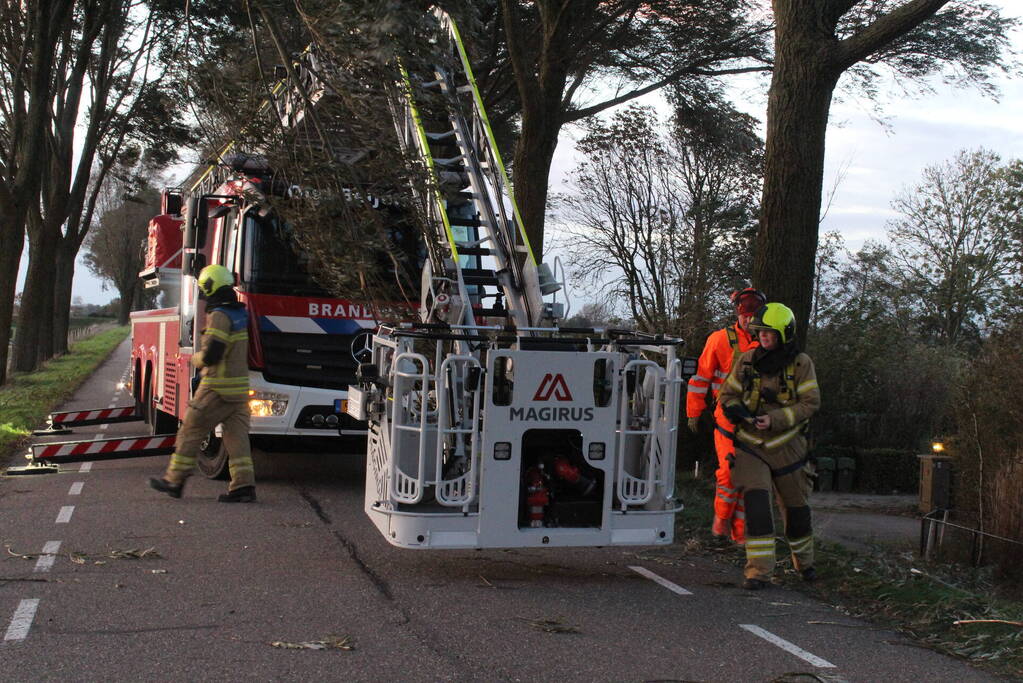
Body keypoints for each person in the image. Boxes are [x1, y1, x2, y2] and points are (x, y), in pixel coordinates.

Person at [718, 302, 821, 589]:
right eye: (760, 332)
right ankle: (758, 573)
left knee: (796, 510)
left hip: (789, 449)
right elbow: (727, 394)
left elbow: (810, 403)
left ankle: (805, 564)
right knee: (757, 508)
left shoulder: (801, 364)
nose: (763, 337)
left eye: (770, 333)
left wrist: (774, 419)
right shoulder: (747, 360)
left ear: (784, 334)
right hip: (751, 447)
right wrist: (735, 410)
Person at [149, 264, 256, 503]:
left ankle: (174, 480)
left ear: (210, 287)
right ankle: (243, 486)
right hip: (239, 390)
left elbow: (212, 355)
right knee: (237, 439)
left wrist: (195, 359)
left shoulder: (219, 316)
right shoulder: (240, 313)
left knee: (191, 429)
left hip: (217, 388)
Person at [686, 287, 766, 543]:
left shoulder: (769, 342)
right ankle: (721, 525)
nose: (748, 320)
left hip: (758, 420)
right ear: (737, 314)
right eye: (745, 315)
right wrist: (694, 412)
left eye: (753, 315)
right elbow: (700, 378)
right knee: (730, 474)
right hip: (728, 418)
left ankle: (740, 536)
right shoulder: (719, 340)